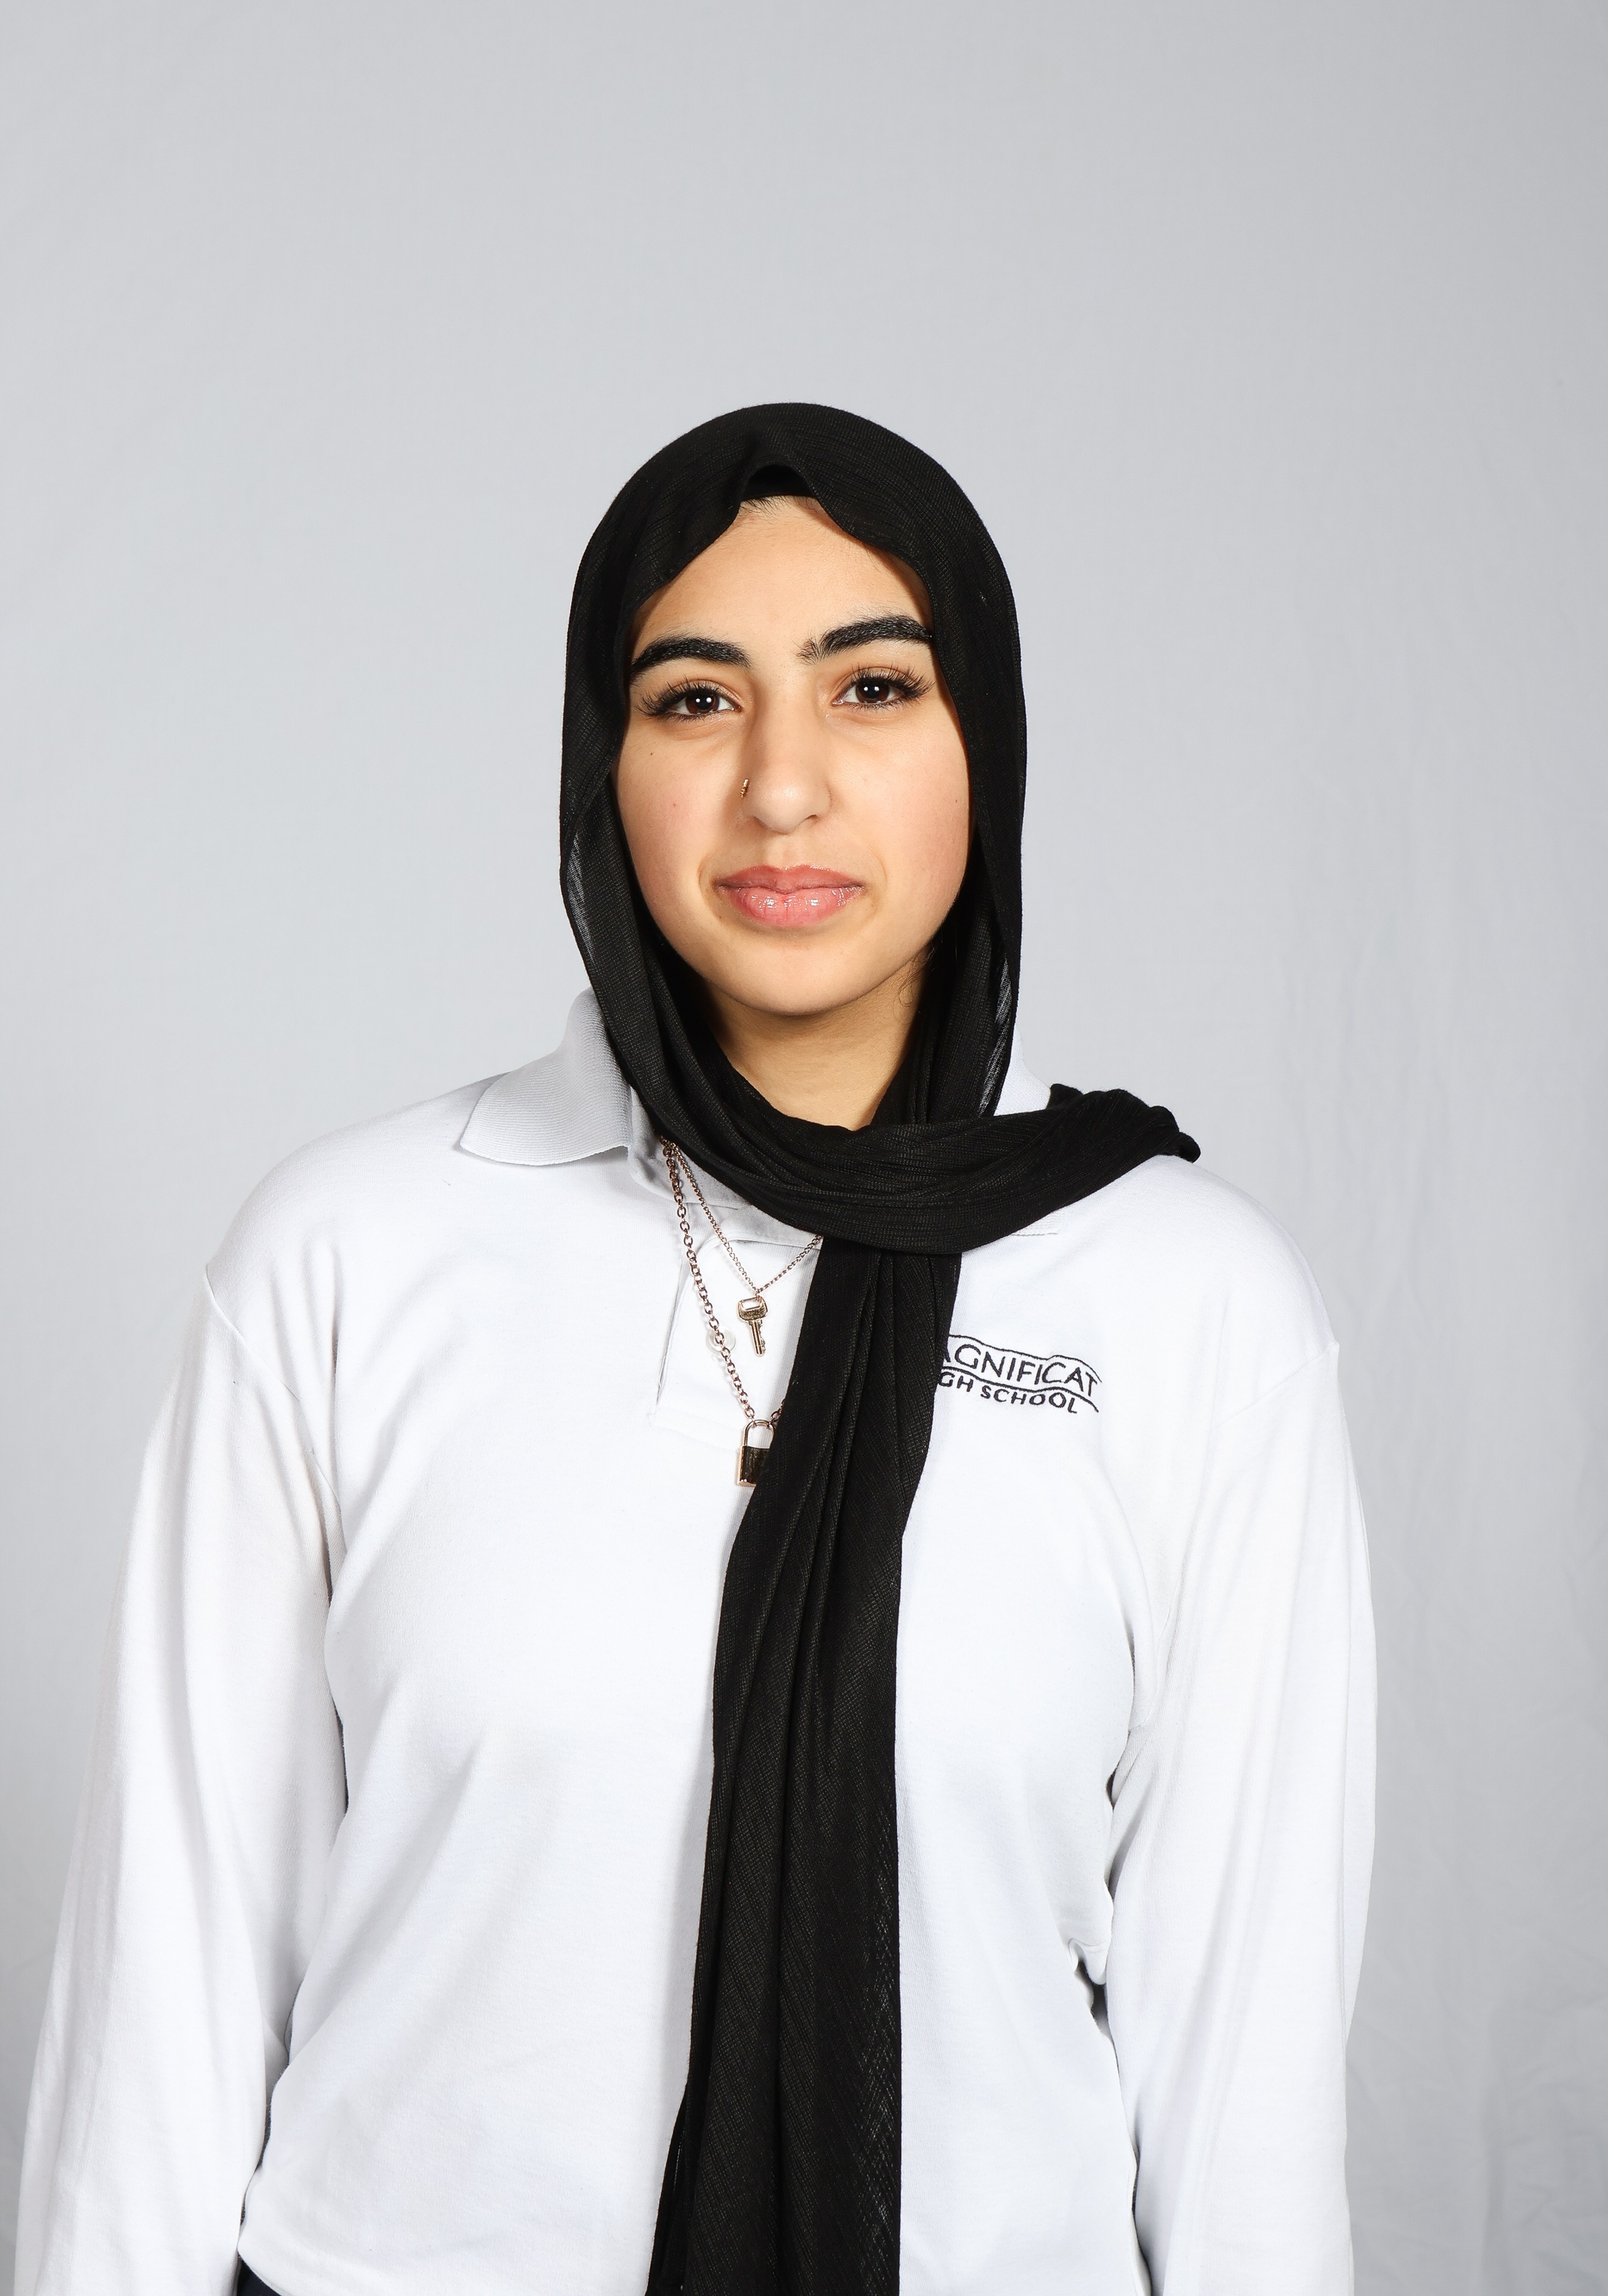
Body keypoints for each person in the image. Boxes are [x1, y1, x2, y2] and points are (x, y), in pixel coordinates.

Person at [15, 405, 1375, 2296]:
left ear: (986, 744)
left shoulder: (1183, 1299)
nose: (783, 789)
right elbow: (167, 1990)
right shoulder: (351, 1256)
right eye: (695, 701)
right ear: (606, 759)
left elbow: (1246, 2075)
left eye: (874, 688)